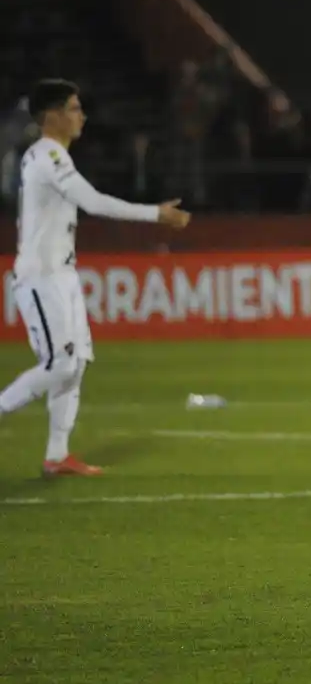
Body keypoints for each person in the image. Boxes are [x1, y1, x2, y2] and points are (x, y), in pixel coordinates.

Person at [0, 79, 191, 477]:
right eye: (73, 107)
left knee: (76, 364)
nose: (81, 114)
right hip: (41, 277)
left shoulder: (53, 156)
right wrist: (155, 214)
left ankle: (57, 455)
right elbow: (93, 202)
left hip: (63, 274)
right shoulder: (47, 156)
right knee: (59, 366)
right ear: (52, 115)